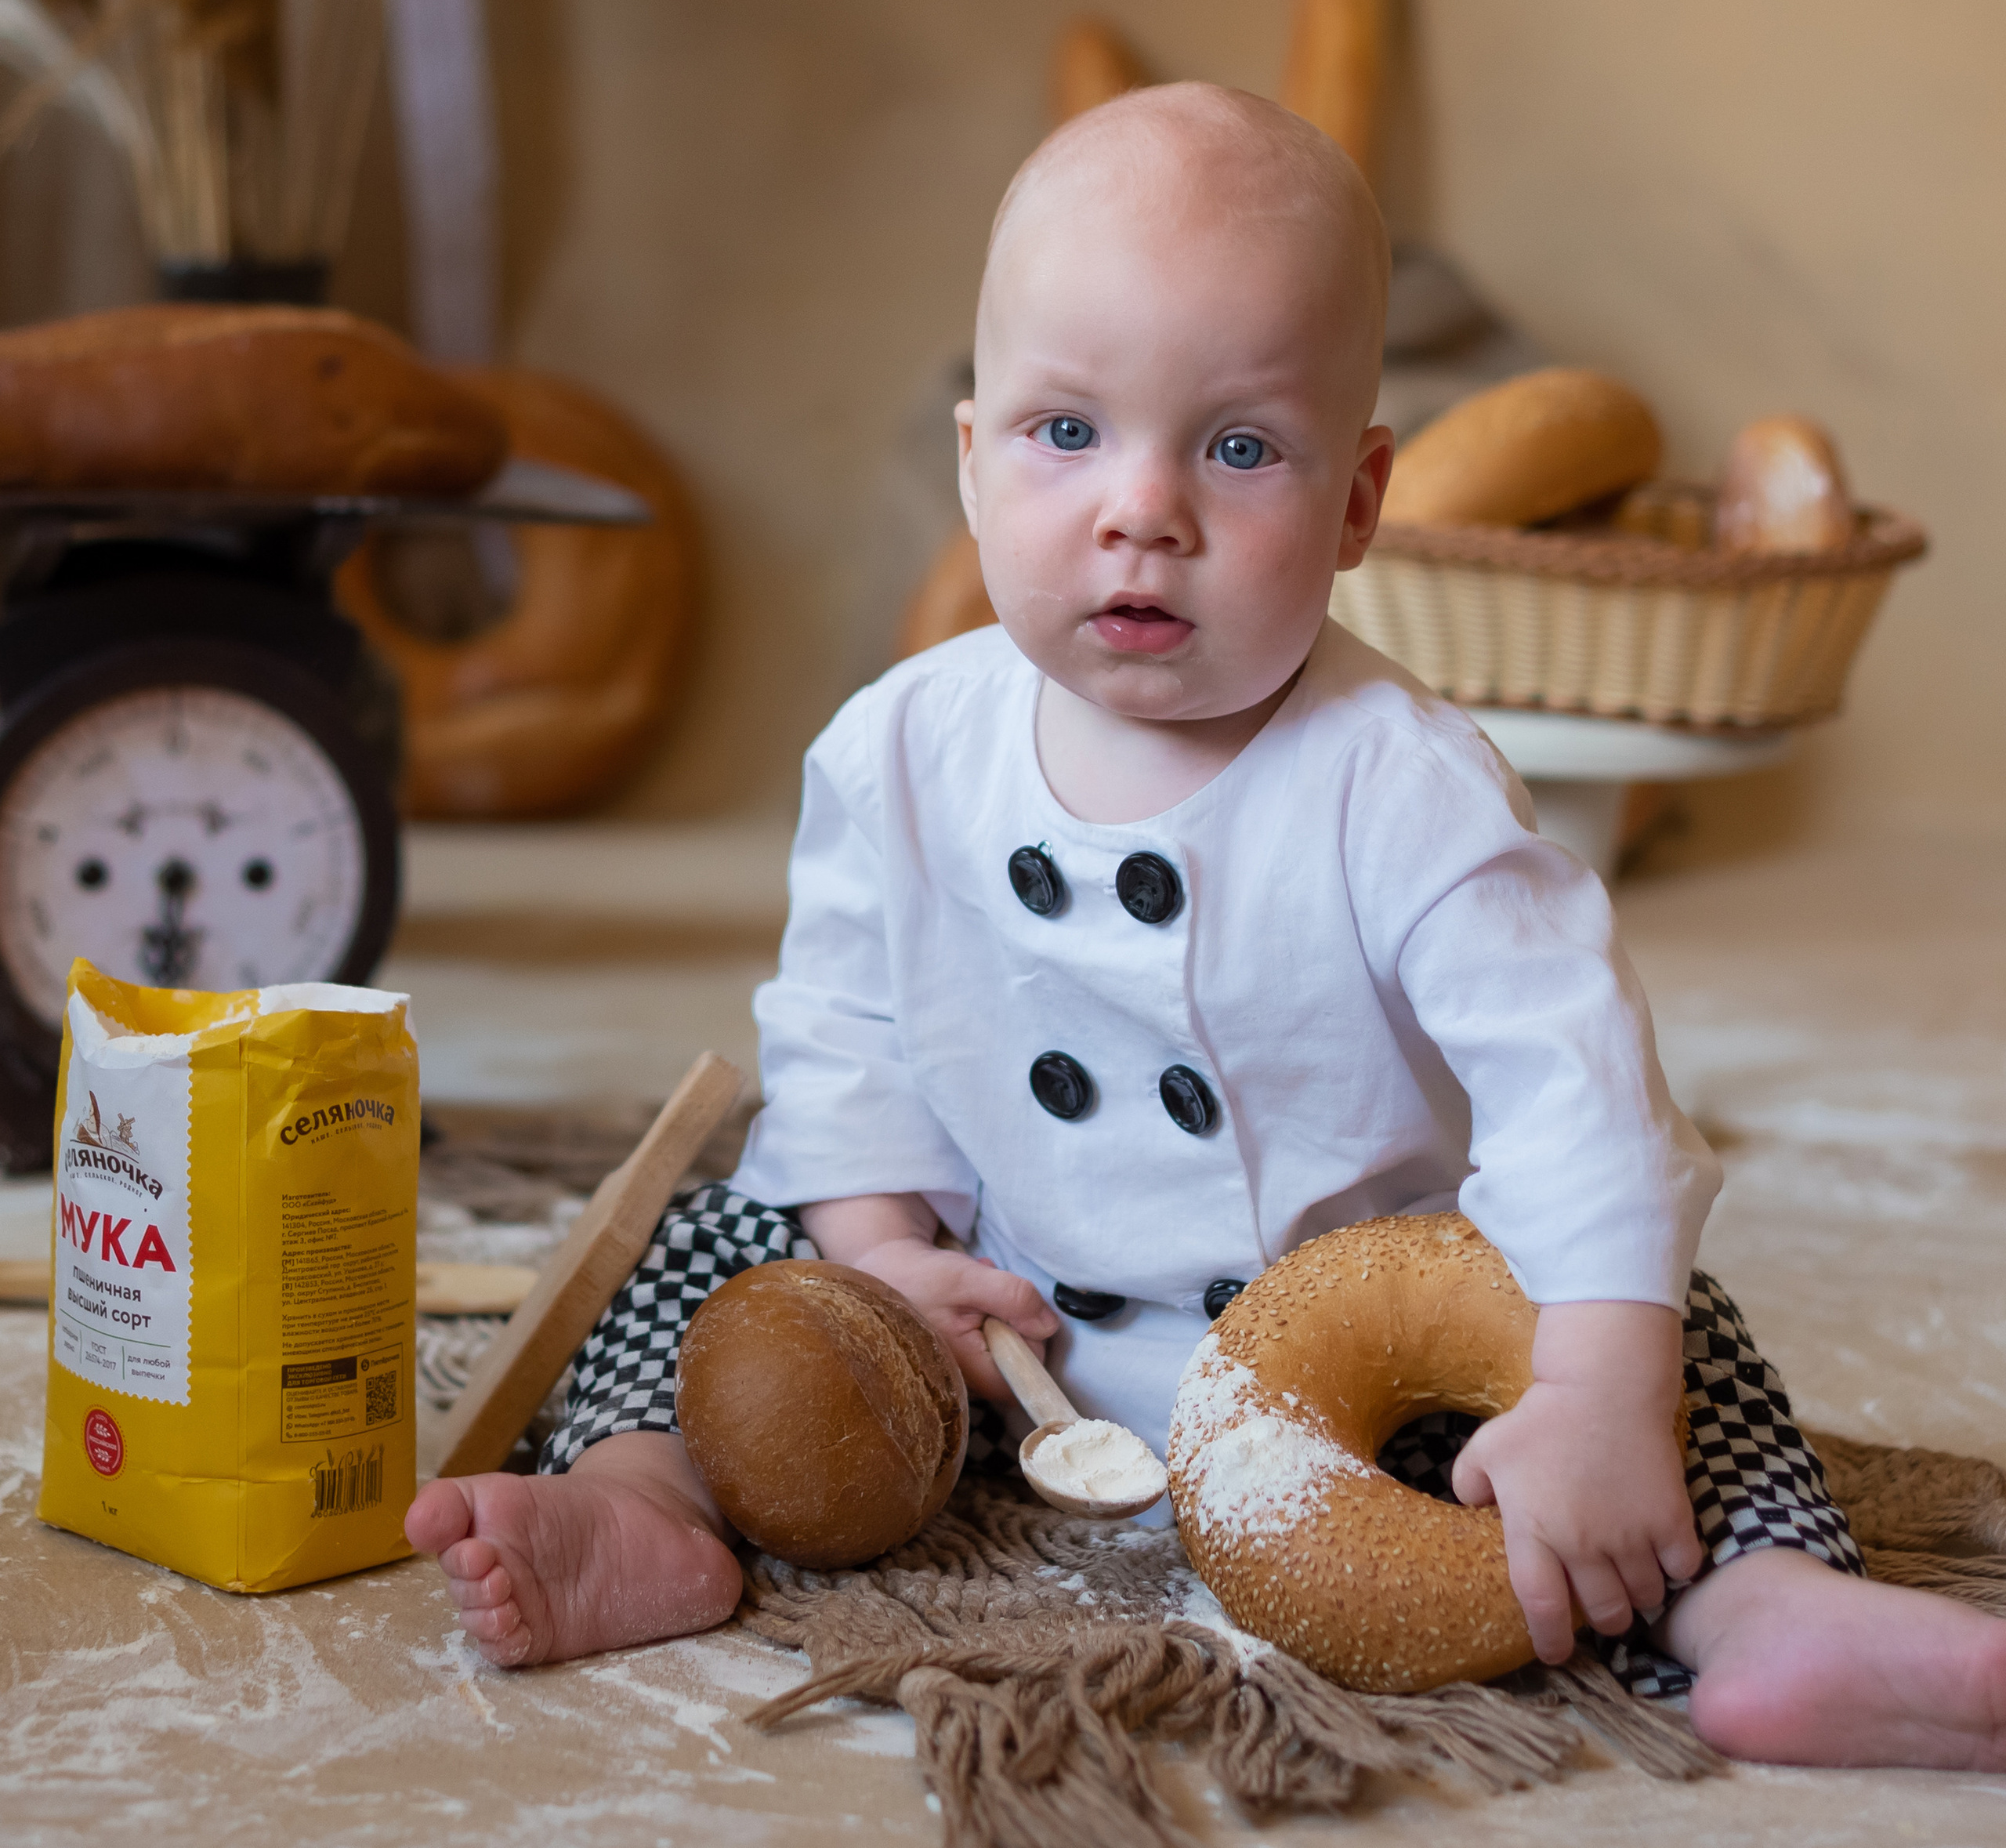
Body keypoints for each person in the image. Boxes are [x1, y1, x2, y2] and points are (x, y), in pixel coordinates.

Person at [407, 85, 2006, 1769]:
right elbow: (843, 1033)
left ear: (1356, 504)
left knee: (1657, 1322)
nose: (1142, 508)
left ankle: (1757, 1603)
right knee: (716, 1241)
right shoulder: (894, 745)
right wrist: (879, 1251)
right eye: (1065, 432)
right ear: (971, 461)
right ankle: (641, 1503)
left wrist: (1597, 1389)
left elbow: (1572, 1089)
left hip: (1360, 1390)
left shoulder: (1400, 779)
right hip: (987, 1344)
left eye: (1237, 447)